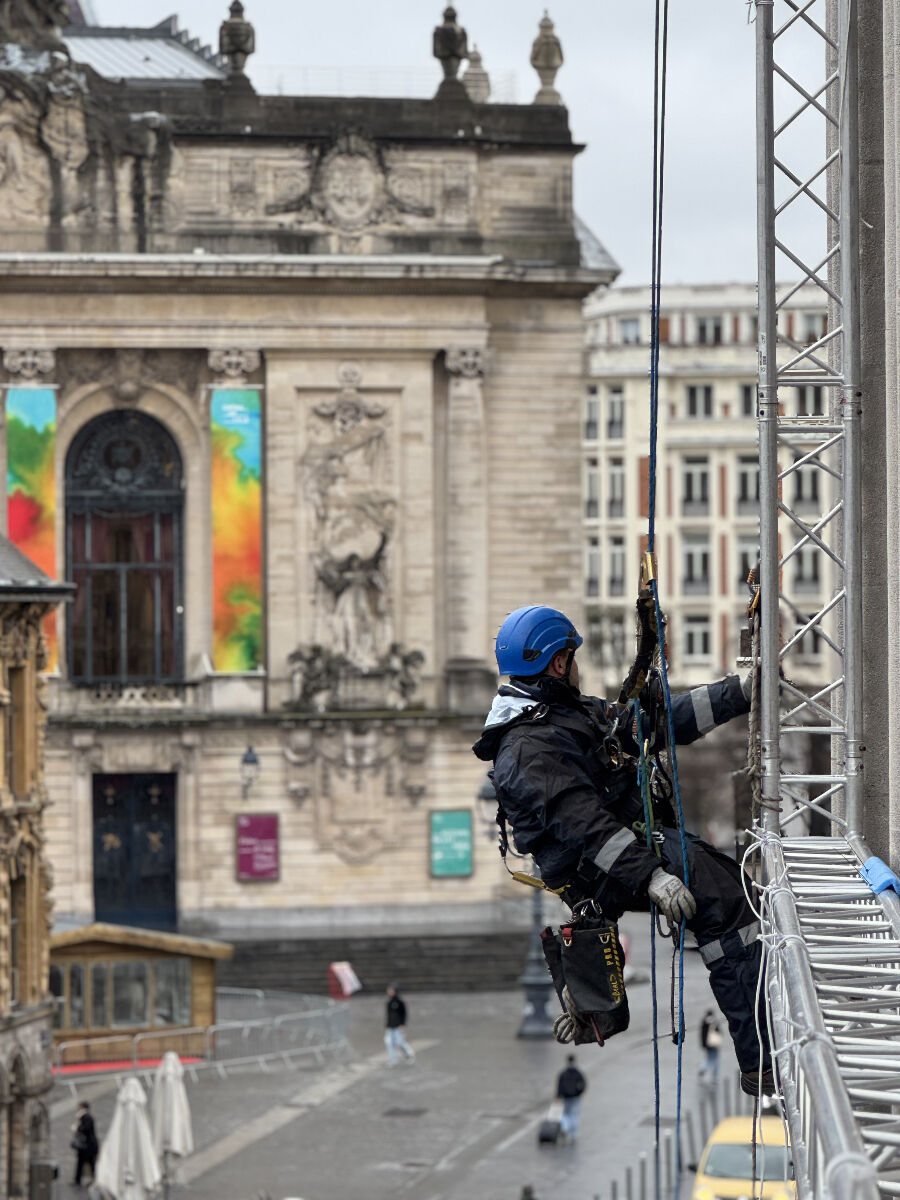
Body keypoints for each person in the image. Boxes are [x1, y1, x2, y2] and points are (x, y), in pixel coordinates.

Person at [472, 604, 773, 1096]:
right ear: (557, 663)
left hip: (626, 847)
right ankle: (761, 1059)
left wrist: (738, 693)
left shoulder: (567, 715)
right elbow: (586, 828)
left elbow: (653, 724)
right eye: (572, 657)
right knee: (722, 898)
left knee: (728, 884)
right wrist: (653, 876)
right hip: (603, 868)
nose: (577, 666)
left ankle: (765, 1016)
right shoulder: (528, 748)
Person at [555, 1054, 587, 1142]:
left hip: (565, 1097)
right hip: (575, 1098)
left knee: (564, 1114)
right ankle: (573, 1134)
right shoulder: (578, 1073)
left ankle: (565, 1127)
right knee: (574, 1116)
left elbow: (559, 1086)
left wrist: (558, 1096)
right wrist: (579, 1093)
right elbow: (583, 1084)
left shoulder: (563, 1073)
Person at [384, 984, 415, 1067]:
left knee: (400, 1042)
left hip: (398, 1026)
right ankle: (392, 1059)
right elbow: (388, 1015)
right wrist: (387, 1025)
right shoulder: (389, 1002)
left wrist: (403, 1024)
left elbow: (404, 1014)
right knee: (389, 1043)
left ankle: (409, 1054)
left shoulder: (400, 1002)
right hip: (390, 1026)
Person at [70, 1100, 98, 1186]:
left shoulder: (86, 1117)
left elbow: (85, 1129)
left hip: (88, 1146)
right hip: (86, 1146)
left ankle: (92, 1179)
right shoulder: (83, 1117)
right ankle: (79, 1180)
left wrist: (77, 1128)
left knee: (89, 1164)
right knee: (82, 1163)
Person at [700, 1008, 723, 1083]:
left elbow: (702, 1035)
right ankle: (715, 1075)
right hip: (714, 1044)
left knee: (709, 1058)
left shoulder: (704, 1022)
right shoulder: (715, 1022)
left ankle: (703, 1068)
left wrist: (703, 1044)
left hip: (707, 1044)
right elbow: (720, 1032)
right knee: (715, 1059)